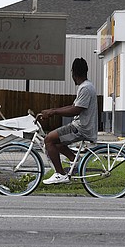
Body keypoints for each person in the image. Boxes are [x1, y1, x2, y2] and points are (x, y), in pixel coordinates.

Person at [40, 57, 98, 185]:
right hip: (81, 126)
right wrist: (52, 110)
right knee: (57, 143)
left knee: (49, 139)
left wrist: (53, 112)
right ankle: (74, 160)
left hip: (81, 128)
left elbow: (76, 110)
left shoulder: (85, 88)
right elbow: (73, 106)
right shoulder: (86, 86)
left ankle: (60, 174)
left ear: (74, 73)